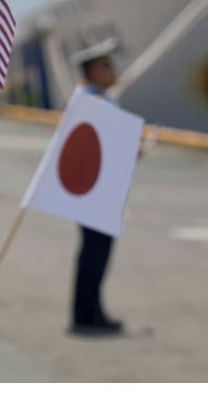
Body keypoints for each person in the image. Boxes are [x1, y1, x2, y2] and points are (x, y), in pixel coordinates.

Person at [68, 38, 125, 337]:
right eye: (106, 66)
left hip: (100, 188)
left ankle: (92, 310)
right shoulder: (93, 102)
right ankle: (87, 314)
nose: (113, 71)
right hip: (95, 191)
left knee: (96, 253)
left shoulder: (97, 99)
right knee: (94, 253)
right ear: (93, 72)